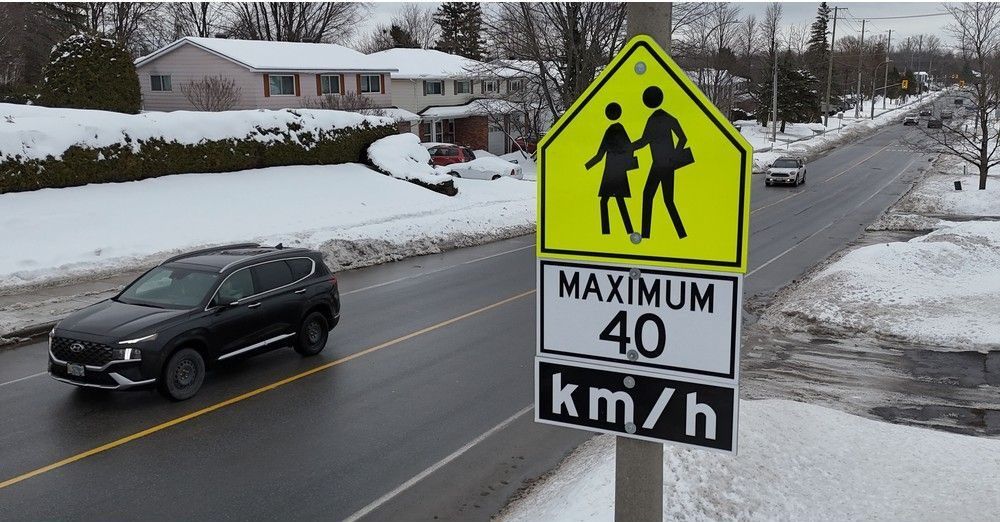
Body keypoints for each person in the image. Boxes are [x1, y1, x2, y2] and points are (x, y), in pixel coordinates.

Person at [633, 86, 691, 239]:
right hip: (664, 165)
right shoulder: (667, 118)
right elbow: (682, 139)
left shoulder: (654, 119)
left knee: (649, 196)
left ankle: (646, 235)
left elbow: (644, 141)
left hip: (660, 165)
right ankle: (681, 234)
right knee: (667, 200)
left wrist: (627, 147)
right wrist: (673, 156)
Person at [585, 102, 637, 235]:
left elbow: (599, 155)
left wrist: (586, 166)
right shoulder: (620, 129)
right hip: (618, 172)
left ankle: (606, 231)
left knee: (605, 201)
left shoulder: (611, 131)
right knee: (618, 200)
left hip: (610, 173)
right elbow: (629, 148)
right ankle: (628, 231)